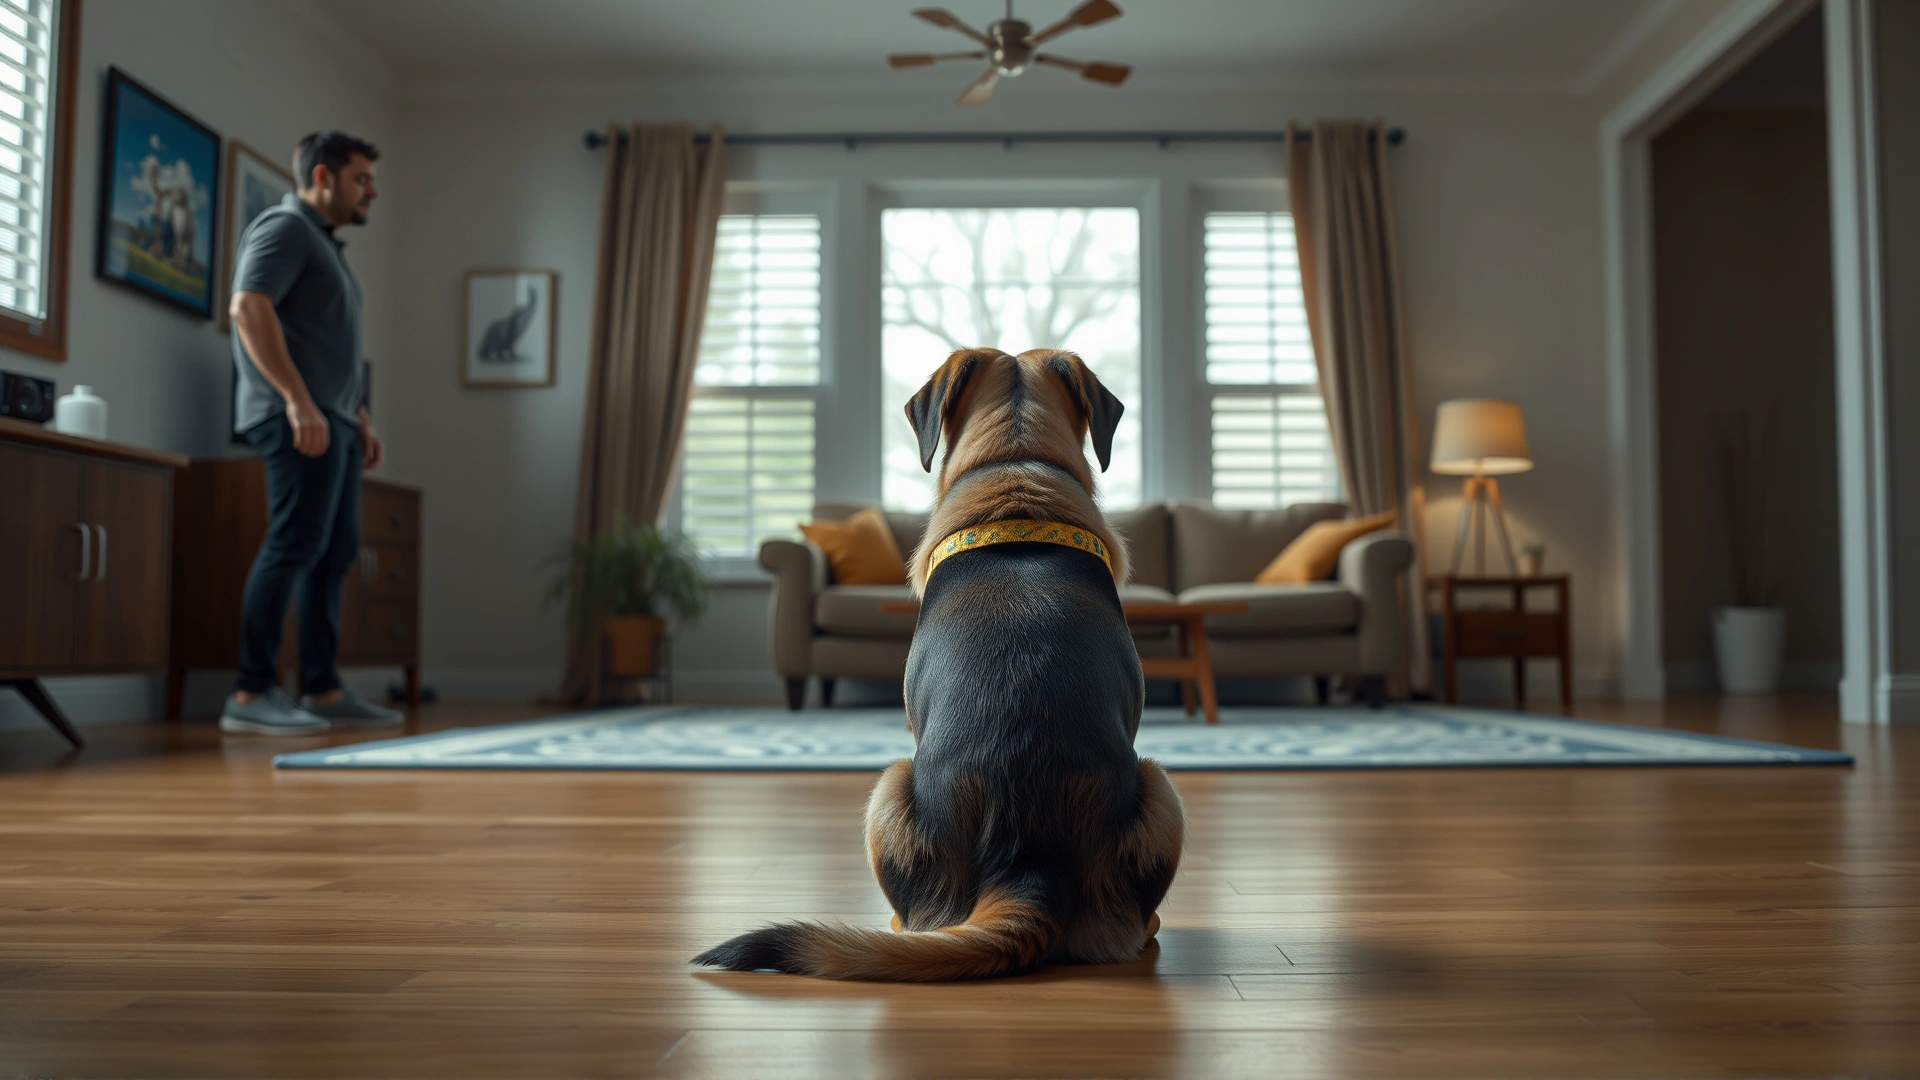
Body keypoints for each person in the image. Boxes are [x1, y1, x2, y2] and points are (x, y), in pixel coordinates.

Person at [220, 131, 402, 735]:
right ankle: (250, 692)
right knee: (295, 543)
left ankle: (322, 689)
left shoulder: (323, 244)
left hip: (334, 419)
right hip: (296, 418)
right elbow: (248, 308)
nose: (372, 191)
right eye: (361, 179)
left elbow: (327, 344)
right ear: (323, 177)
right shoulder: (286, 227)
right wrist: (297, 401)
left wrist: (360, 417)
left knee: (336, 550)